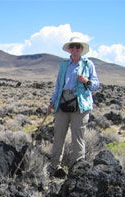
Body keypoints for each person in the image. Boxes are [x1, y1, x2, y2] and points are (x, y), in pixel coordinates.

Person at [48, 37, 100, 177]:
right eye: (73, 47)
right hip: (63, 102)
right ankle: (55, 167)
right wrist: (52, 102)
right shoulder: (64, 65)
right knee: (58, 136)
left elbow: (96, 85)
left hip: (80, 105)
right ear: (69, 49)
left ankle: (77, 171)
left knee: (78, 138)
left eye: (78, 47)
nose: (75, 49)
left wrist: (86, 81)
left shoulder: (88, 64)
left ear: (81, 49)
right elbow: (58, 85)